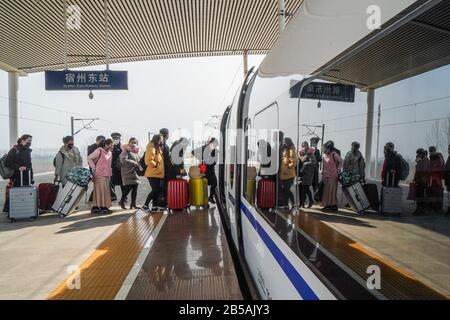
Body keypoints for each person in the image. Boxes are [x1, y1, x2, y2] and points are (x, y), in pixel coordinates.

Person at [87, 139, 114, 214]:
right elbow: (89, 158)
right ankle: (101, 207)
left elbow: (109, 165)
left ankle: (98, 207)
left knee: (104, 191)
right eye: (111, 145)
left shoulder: (110, 153)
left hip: (106, 175)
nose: (112, 146)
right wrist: (93, 167)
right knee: (100, 191)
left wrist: (109, 175)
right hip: (98, 174)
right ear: (106, 145)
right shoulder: (99, 151)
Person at [192, 138, 219, 204]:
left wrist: (210, 162)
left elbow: (215, 161)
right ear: (210, 143)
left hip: (211, 169)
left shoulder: (215, 151)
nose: (214, 146)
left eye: (215, 145)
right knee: (203, 184)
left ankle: (210, 197)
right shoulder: (204, 148)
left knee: (214, 183)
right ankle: (203, 200)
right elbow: (193, 152)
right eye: (214, 144)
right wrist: (201, 158)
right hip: (203, 169)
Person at [143, 134, 165, 213]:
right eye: (161, 139)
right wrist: (155, 165)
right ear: (157, 140)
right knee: (155, 190)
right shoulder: (152, 148)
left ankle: (154, 207)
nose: (162, 141)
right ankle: (145, 205)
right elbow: (148, 160)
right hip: (152, 173)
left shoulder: (157, 148)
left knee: (157, 190)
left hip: (157, 173)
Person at [119, 138, 141, 210]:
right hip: (127, 172)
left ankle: (133, 204)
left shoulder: (136, 152)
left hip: (134, 172)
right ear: (129, 142)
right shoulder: (126, 150)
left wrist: (140, 168)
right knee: (128, 188)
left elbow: (139, 161)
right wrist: (133, 162)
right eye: (132, 142)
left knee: (135, 188)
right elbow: (123, 159)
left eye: (135, 142)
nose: (133, 144)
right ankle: (122, 201)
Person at [321, 140, 343, 212]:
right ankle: (327, 205)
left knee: (332, 191)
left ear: (329, 149)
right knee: (326, 191)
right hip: (326, 175)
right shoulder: (324, 156)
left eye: (324, 149)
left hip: (333, 176)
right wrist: (323, 174)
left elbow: (342, 161)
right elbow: (324, 166)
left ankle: (332, 206)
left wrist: (337, 170)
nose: (323, 150)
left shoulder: (334, 154)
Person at [279, 137, 297, 210]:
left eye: (284, 142)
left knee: (287, 190)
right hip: (284, 175)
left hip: (288, 175)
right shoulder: (285, 150)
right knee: (284, 191)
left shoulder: (291, 150)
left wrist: (287, 169)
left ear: (288, 142)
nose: (283, 143)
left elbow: (293, 163)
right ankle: (286, 205)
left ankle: (293, 205)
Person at [412, 148, 430, 215]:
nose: (417, 155)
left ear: (422, 154)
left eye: (418, 154)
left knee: (420, 196)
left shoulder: (425, 161)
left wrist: (419, 162)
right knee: (418, 196)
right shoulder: (423, 161)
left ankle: (421, 210)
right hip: (419, 181)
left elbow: (422, 172)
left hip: (422, 182)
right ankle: (418, 209)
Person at [428, 146, 445, 212]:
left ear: (434, 151)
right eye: (430, 151)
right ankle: (434, 207)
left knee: (437, 193)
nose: (430, 153)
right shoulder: (433, 157)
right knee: (433, 193)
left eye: (431, 151)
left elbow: (440, 166)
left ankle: (437, 208)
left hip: (437, 179)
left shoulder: (438, 156)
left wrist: (432, 170)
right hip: (433, 178)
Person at [111, 132, 125, 202]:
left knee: (123, 183)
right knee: (112, 183)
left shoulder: (123, 147)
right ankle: (113, 197)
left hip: (121, 168)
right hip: (112, 168)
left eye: (116, 138)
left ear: (119, 138)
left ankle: (124, 198)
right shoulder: (110, 147)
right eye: (114, 138)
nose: (115, 139)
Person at [159, 128, 170, 208]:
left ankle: (163, 203)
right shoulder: (162, 145)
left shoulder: (161, 144)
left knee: (163, 187)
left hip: (163, 169)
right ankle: (161, 204)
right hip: (162, 170)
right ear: (167, 135)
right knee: (162, 188)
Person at [444, 144, 450, 215]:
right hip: (448, 180)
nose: (448, 150)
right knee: (449, 196)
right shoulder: (449, 157)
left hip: (449, 180)